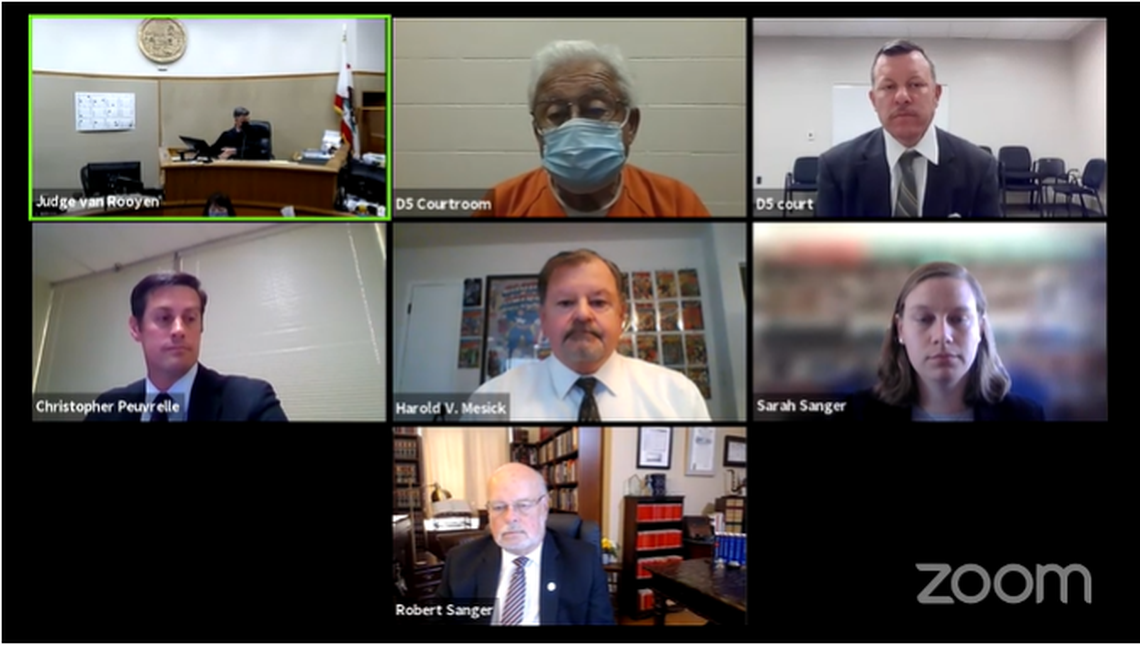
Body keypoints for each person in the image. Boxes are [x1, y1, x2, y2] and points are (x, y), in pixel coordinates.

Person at [473, 41, 710, 218]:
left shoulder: (676, 203)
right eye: (556, 114)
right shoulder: (501, 204)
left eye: (596, 110)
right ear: (538, 133)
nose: (574, 125)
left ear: (631, 125)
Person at [471, 249, 711, 421]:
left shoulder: (678, 395)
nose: (583, 315)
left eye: (598, 302)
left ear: (621, 316)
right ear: (543, 319)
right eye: (566, 302)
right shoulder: (490, 400)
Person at [815, 40, 1000, 218]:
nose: (902, 97)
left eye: (915, 84)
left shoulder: (979, 168)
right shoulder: (836, 168)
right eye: (888, 87)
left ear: (936, 95)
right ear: (873, 100)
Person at [843, 262, 1044, 421]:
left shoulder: (1025, 416)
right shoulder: (855, 414)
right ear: (900, 329)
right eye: (924, 319)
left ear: (981, 329)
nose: (942, 335)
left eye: (959, 319)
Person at [85, 272, 288, 421]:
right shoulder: (108, 407)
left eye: (190, 318)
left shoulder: (250, 401)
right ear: (136, 328)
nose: (179, 330)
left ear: (201, 326)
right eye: (164, 318)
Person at [434, 463, 615, 625]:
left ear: (544, 508)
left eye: (523, 505)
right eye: (498, 507)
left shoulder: (583, 561)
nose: (510, 517)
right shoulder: (460, 561)